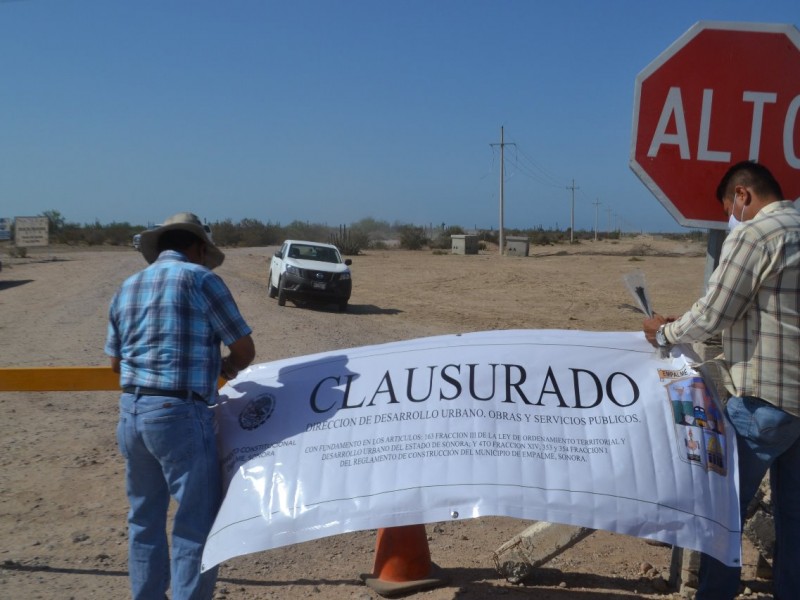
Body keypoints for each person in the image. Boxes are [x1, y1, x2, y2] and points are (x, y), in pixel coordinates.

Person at [643, 161, 800, 599]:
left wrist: (667, 331)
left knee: (721, 510)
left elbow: (717, 308)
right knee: (795, 517)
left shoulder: (755, 233)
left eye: (731, 205)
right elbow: (764, 310)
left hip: (762, 401)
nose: (732, 214)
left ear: (743, 195)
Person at [105, 212, 255, 600]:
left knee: (143, 520)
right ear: (199, 247)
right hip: (180, 415)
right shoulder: (202, 280)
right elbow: (243, 348)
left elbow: (114, 363)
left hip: (132, 413)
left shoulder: (127, 286)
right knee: (195, 524)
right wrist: (227, 367)